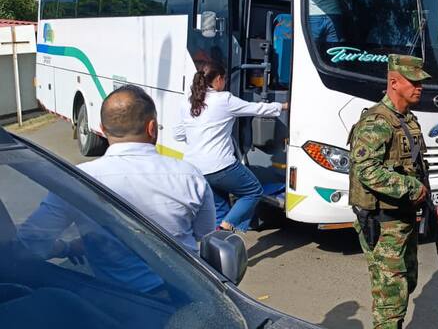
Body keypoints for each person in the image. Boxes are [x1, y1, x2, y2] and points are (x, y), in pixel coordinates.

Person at [18, 85, 215, 292]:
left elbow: (30, 240)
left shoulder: (78, 180)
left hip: (119, 305)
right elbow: (205, 234)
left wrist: (67, 247)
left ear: (102, 129)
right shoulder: (190, 176)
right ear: (152, 128)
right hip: (188, 299)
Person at [348, 54, 431, 329]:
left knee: (407, 282)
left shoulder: (406, 119)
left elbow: (416, 166)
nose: (420, 87)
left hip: (404, 216)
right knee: (390, 296)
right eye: (414, 82)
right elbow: (366, 170)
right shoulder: (377, 122)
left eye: (421, 82)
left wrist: (428, 200)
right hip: (383, 220)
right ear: (394, 82)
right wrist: (410, 188)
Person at [175, 60, 288, 232]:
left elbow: (178, 134)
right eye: (225, 79)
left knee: (220, 209)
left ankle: (216, 248)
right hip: (220, 166)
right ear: (219, 79)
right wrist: (283, 105)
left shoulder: (188, 102)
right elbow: (256, 108)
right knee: (253, 191)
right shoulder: (224, 99)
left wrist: (198, 135)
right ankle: (226, 227)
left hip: (196, 168)